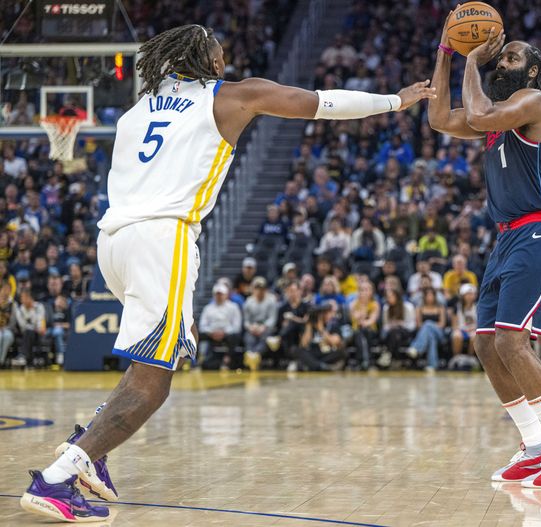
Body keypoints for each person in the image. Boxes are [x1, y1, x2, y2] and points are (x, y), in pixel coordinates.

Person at [20, 23, 436, 522]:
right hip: (162, 238)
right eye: (221, 53)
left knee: (165, 352)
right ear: (212, 62)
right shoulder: (232, 95)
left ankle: (92, 447)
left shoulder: (137, 110)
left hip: (112, 242)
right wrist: (396, 100)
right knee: (154, 381)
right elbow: (321, 103)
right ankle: (60, 476)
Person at [428, 16, 541, 488]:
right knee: (485, 343)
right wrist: (445, 51)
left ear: (531, 71)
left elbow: (480, 114)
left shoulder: (534, 103)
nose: (501, 61)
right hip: (508, 236)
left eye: (511, 57)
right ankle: (536, 444)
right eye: (500, 56)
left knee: (510, 341)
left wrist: (470, 62)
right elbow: (439, 118)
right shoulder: (495, 116)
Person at [198, 283, 243, 369]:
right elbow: (202, 326)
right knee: (197, 336)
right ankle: (196, 360)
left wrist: (224, 332)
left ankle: (228, 358)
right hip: (211, 334)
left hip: (227, 334)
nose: (219, 296)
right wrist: (212, 332)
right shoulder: (208, 308)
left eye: (221, 294)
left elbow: (236, 326)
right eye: (217, 294)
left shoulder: (233, 307)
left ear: (226, 295)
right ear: (214, 295)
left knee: (235, 336)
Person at [242, 277, 278, 369]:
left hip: (266, 328)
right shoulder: (248, 301)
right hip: (253, 327)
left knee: (265, 338)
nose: (259, 291)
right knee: (248, 338)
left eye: (262, 288)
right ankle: (251, 355)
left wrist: (263, 327)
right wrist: (250, 327)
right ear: (253, 289)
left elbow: (272, 319)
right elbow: (246, 321)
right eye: (257, 288)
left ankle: (254, 355)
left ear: (265, 289)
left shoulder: (271, 300)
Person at [407, 287, 446, 371]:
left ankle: (416, 348)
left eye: (431, 295)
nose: (429, 297)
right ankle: (432, 365)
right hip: (425, 334)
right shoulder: (419, 308)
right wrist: (428, 327)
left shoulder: (440, 307)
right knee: (431, 337)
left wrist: (430, 325)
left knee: (427, 324)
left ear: (434, 296)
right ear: (424, 297)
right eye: (428, 295)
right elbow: (418, 324)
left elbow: (442, 324)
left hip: (439, 333)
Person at [348, 279, 380, 370]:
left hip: (371, 330)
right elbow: (355, 319)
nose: (364, 292)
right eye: (361, 290)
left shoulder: (375, 304)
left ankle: (362, 360)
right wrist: (362, 308)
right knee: (359, 333)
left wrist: (363, 316)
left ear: (371, 292)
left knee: (365, 331)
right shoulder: (353, 304)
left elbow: (372, 320)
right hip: (355, 331)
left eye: (366, 290)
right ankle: (366, 360)